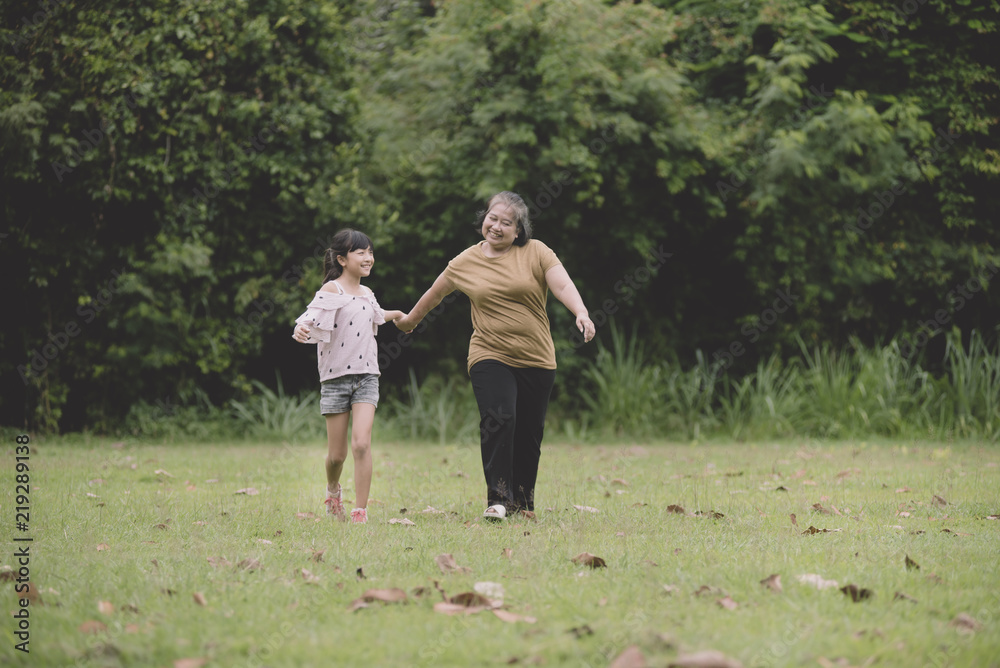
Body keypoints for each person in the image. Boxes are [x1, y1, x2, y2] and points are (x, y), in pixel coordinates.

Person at [394, 191, 595, 520]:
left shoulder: (536, 252)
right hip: (489, 352)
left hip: (537, 356)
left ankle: (523, 503)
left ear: (519, 231)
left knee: (529, 432)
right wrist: (409, 322)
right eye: (492, 218)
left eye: (507, 223)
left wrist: (581, 312)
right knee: (499, 417)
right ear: (483, 220)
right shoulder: (465, 262)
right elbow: (435, 294)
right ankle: (499, 499)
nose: (497, 226)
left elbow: (562, 285)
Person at [292, 229, 403, 524]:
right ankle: (333, 490)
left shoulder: (368, 294)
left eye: (370, 252)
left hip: (367, 377)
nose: (368, 258)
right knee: (337, 456)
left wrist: (398, 315)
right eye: (360, 252)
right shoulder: (332, 290)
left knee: (362, 444)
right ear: (342, 259)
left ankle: (360, 511)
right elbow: (309, 317)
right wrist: (300, 329)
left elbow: (377, 315)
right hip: (335, 380)